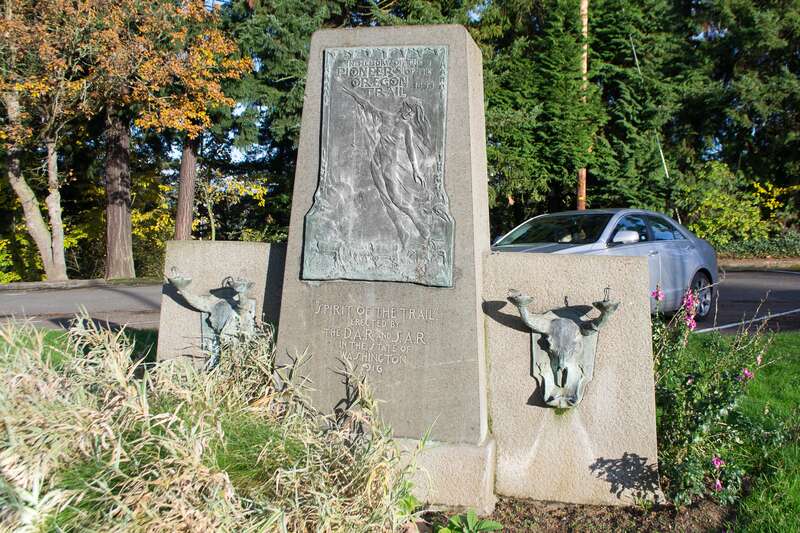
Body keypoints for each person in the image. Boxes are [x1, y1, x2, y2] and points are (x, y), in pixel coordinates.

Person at [343, 86, 432, 247]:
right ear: (404, 106)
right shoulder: (386, 116)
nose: (410, 114)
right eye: (409, 110)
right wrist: (350, 92)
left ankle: (420, 225)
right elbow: (367, 105)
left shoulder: (406, 128)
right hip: (375, 162)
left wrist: (416, 169)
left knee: (397, 200)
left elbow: (411, 149)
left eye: (412, 113)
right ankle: (402, 231)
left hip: (389, 166)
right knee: (385, 199)